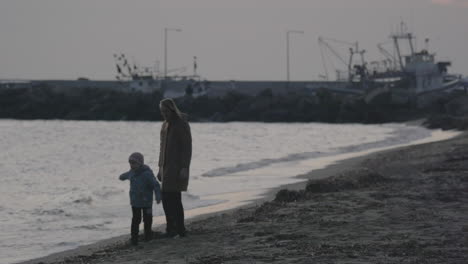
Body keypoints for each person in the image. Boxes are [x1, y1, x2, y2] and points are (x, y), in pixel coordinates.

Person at [157, 98, 192, 238]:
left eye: (166, 111)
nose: (164, 114)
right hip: (165, 167)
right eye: (162, 112)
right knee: (166, 198)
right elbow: (161, 148)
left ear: (172, 110)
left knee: (175, 199)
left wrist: (184, 167)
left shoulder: (181, 124)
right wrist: (159, 168)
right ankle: (171, 228)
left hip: (177, 167)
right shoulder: (164, 125)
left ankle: (180, 229)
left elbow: (187, 147)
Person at [119, 152, 161, 245]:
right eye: (130, 163)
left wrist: (158, 196)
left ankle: (148, 236)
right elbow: (124, 176)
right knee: (136, 220)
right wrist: (121, 177)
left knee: (147, 219)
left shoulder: (147, 174)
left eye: (134, 163)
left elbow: (156, 185)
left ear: (140, 163)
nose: (132, 165)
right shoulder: (131, 172)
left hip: (147, 202)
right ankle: (134, 239)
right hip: (135, 202)